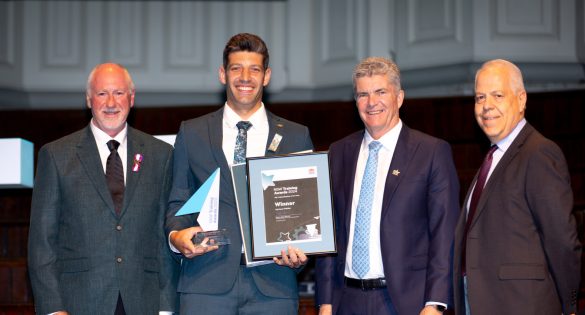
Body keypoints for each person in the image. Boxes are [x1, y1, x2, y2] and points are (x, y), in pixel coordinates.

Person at [165, 33, 313, 315]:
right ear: (223, 74)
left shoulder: (296, 136)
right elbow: (178, 202)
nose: (245, 77)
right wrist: (177, 237)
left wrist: (301, 254)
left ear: (266, 76)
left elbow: (304, 213)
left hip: (274, 287)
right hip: (205, 284)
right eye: (236, 68)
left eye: (254, 69)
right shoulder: (192, 132)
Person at [28, 63, 179, 314]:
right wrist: (53, 309)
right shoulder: (56, 155)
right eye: (101, 94)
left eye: (119, 93)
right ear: (89, 100)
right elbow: (42, 244)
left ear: (132, 98)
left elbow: (163, 239)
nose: (111, 102)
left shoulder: (160, 155)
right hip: (78, 302)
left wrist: (166, 307)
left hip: (145, 301)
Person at [315, 57, 460, 315]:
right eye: (363, 94)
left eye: (381, 92)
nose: (371, 103)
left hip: (405, 303)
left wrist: (435, 303)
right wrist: (325, 301)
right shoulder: (338, 153)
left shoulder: (431, 152)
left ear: (399, 97)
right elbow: (331, 232)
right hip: (345, 301)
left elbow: (444, 233)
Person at [453, 59, 581, 315]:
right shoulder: (492, 159)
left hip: (521, 305)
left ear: (521, 100)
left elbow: (562, 240)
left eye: (497, 95)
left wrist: (570, 306)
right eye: (480, 98)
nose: (486, 106)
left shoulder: (539, 153)